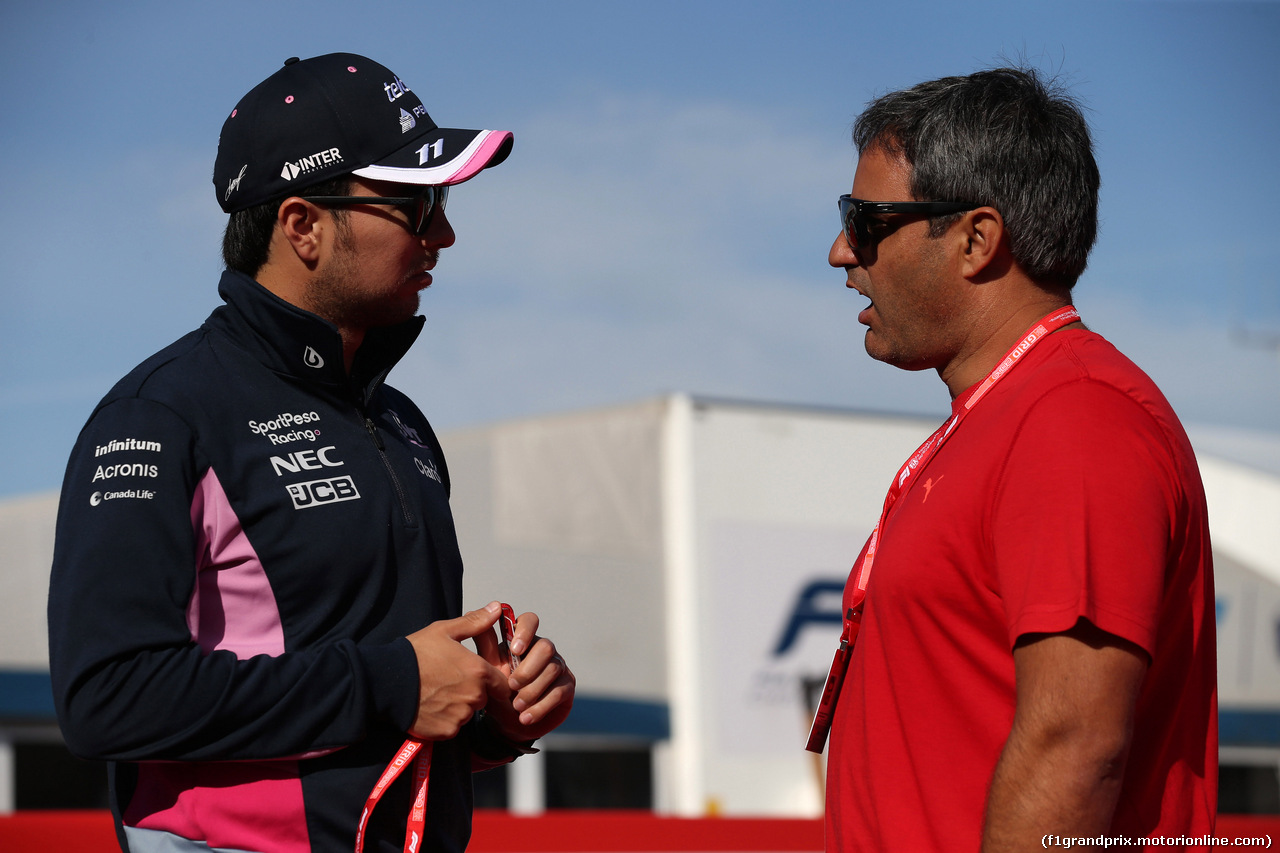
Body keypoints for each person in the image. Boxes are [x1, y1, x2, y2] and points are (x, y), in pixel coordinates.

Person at [48, 53, 575, 852]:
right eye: (415, 203)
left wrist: (492, 716)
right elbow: (106, 696)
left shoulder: (400, 422)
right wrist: (394, 683)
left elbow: (388, 719)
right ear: (303, 226)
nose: (445, 234)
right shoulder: (160, 414)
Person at [818, 68, 1216, 851]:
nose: (840, 251)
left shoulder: (1075, 420)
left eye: (866, 220)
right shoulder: (1008, 418)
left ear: (976, 238)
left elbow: (1075, 745)